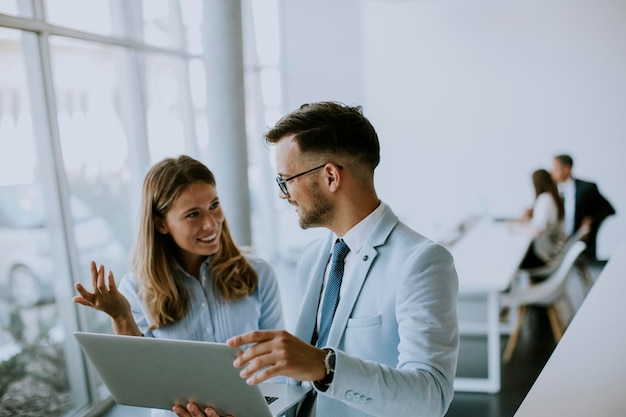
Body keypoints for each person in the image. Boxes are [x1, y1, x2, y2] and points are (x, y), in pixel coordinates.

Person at [173, 101, 459, 417]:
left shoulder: (421, 262)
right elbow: (298, 388)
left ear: (331, 177)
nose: (283, 194)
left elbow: (430, 397)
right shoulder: (313, 258)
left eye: (286, 179)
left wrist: (326, 367)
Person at [73, 155, 284, 417]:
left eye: (214, 205)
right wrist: (120, 315)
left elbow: (277, 363)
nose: (211, 223)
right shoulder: (136, 289)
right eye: (193, 214)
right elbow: (140, 381)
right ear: (161, 224)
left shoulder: (258, 273)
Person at [551, 154, 616, 260]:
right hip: (557, 245)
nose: (552, 172)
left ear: (566, 169)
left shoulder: (587, 188)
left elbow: (609, 209)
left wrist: (591, 220)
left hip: (580, 243)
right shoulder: (552, 190)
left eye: (555, 168)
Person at [518, 169, 567, 269]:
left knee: (514, 256)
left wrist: (516, 228)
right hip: (552, 250)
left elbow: (538, 231)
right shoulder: (553, 197)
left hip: (544, 255)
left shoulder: (544, 199)